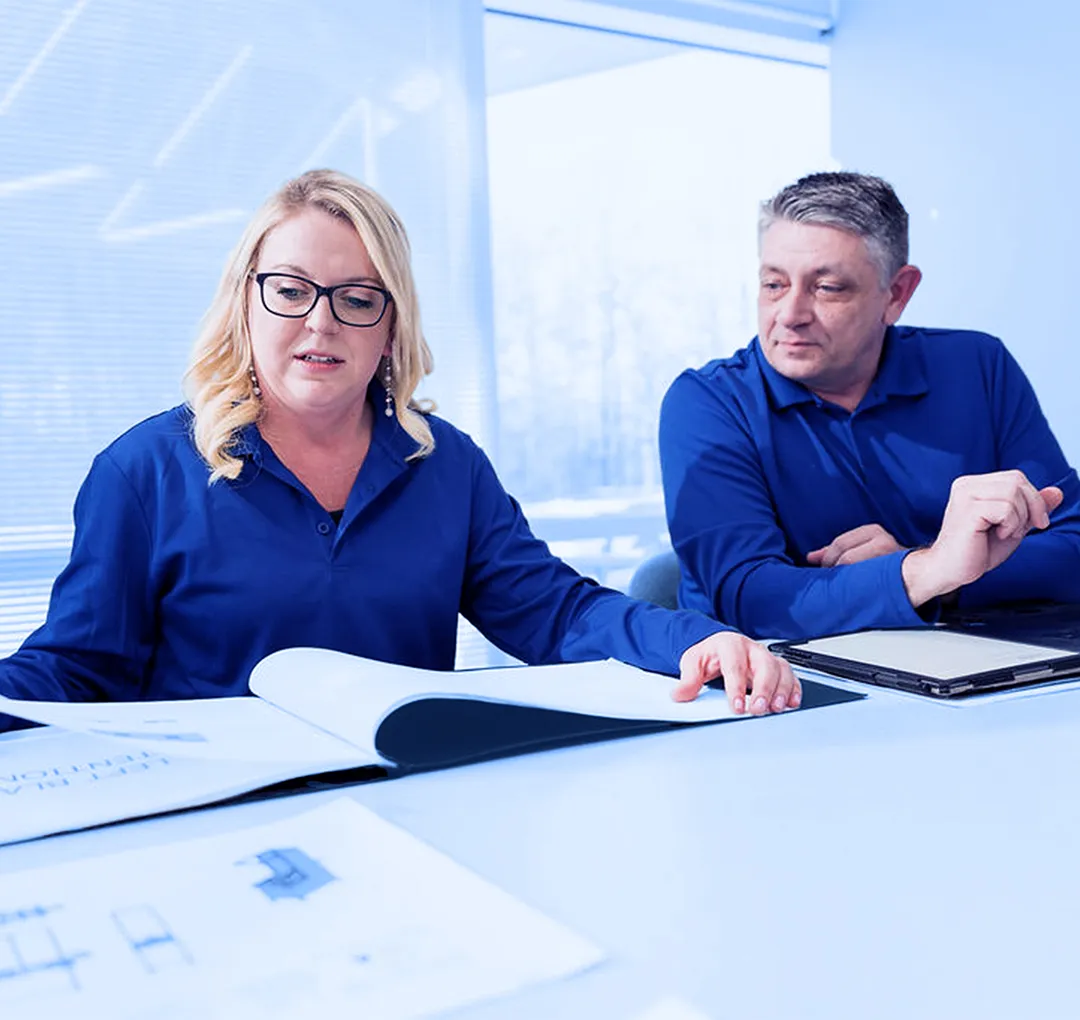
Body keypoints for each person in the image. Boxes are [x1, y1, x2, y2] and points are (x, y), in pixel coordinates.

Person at [0, 169, 799, 727]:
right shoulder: (141, 473)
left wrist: (696, 638)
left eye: (356, 299)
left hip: (408, 805)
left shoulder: (446, 466)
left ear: (391, 328)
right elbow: (75, 669)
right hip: (212, 822)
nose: (320, 323)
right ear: (245, 303)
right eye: (289, 290)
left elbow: (556, 615)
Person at [659, 171, 1080, 643]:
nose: (790, 314)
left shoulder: (979, 367)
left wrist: (934, 569)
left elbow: (1074, 548)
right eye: (774, 284)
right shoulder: (707, 402)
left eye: (828, 288)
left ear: (897, 294)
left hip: (979, 670)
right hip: (783, 692)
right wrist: (925, 571)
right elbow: (746, 597)